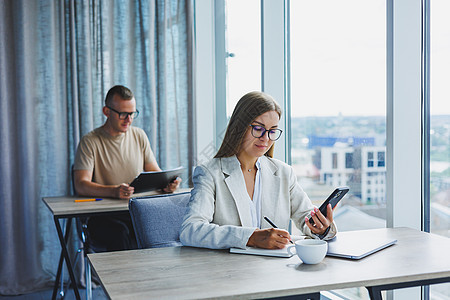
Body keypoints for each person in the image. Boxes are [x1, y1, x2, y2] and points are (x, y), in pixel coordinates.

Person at [180, 91, 337, 250]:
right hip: (230, 270)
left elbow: (306, 218)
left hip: (275, 268)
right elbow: (191, 230)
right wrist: (251, 237)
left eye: (272, 131)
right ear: (239, 127)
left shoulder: (283, 172)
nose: (266, 138)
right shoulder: (210, 172)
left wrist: (322, 228)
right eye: (258, 128)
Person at [74, 85, 181, 251]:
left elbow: (155, 172)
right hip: (104, 215)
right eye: (123, 114)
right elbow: (81, 185)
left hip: (136, 210)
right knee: (119, 233)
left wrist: (167, 184)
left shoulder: (139, 135)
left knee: (164, 226)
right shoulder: (90, 141)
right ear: (106, 111)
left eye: (132, 114)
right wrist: (114, 191)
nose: (129, 119)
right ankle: (125, 277)